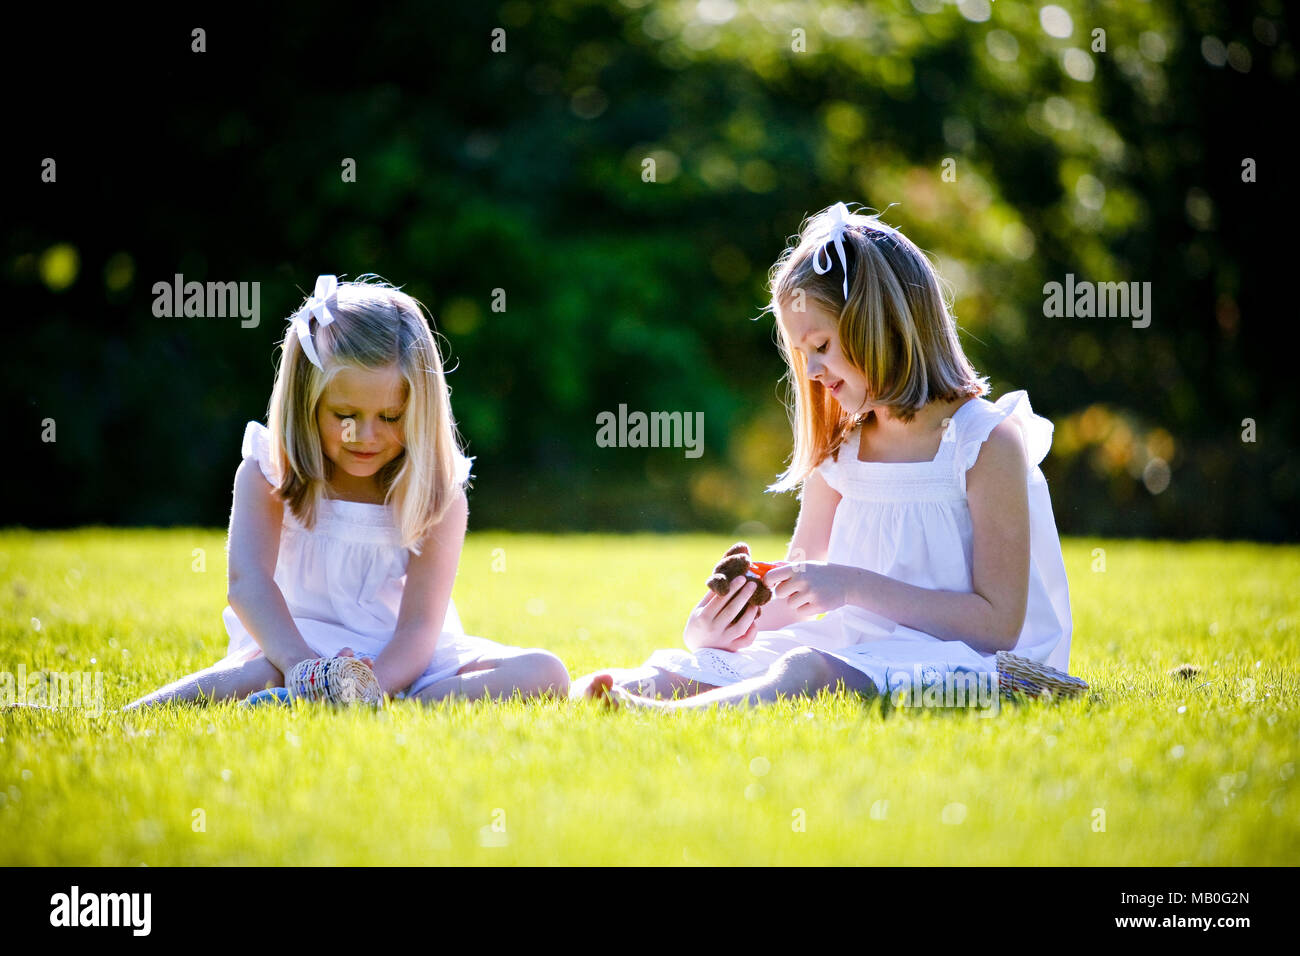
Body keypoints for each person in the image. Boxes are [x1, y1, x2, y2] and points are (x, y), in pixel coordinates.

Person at [571, 202, 1078, 710]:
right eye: (801, 354)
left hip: (969, 661)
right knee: (723, 664)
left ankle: (667, 716)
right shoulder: (844, 452)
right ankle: (610, 694)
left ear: (884, 326)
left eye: (822, 345)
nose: (811, 369)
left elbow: (998, 626)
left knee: (806, 670)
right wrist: (723, 621)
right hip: (858, 648)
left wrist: (851, 585)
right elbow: (803, 585)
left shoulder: (983, 442)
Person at [125, 275, 568, 709]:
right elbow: (248, 584)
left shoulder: (436, 494)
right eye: (345, 414)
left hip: (402, 659)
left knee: (546, 672)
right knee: (257, 674)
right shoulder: (269, 474)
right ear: (307, 402)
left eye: (391, 417)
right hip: (294, 644)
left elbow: (419, 626)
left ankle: (394, 705)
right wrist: (305, 668)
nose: (367, 435)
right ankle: (146, 713)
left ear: (419, 411)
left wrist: (372, 684)